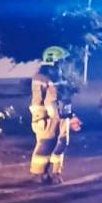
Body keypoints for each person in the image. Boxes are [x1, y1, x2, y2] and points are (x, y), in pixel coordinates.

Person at [29, 46, 81, 184]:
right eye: (61, 60)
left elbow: (65, 99)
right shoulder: (40, 78)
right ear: (53, 61)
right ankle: (39, 173)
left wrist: (72, 116)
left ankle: (56, 172)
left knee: (61, 144)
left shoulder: (60, 77)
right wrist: (40, 118)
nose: (64, 63)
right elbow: (37, 101)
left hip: (62, 118)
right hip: (48, 119)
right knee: (45, 145)